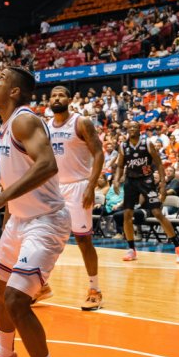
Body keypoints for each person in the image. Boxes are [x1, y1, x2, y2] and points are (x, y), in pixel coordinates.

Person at [0, 67, 70, 357]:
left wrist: (1, 198)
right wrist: (7, 218)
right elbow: (15, 179)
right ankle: (4, 352)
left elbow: (48, 165)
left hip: (46, 221)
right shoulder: (3, 127)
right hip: (18, 220)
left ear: (14, 91)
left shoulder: (24, 120)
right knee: (0, 288)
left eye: (0, 78)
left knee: (15, 300)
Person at [47, 85, 105, 311]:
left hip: (79, 186)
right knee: (46, 238)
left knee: (83, 240)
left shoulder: (81, 122)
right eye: (53, 95)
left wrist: (91, 186)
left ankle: (95, 289)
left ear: (70, 99)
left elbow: (98, 152)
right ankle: (42, 286)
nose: (57, 97)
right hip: (54, 188)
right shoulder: (46, 126)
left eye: (61, 94)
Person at [114, 122, 179, 263]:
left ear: (140, 130)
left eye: (135, 127)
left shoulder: (147, 143)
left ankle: (178, 248)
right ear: (127, 130)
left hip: (146, 181)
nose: (132, 129)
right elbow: (120, 165)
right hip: (130, 181)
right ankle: (131, 249)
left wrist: (162, 185)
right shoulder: (123, 146)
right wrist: (117, 179)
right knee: (127, 214)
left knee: (157, 213)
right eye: (130, 128)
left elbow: (159, 164)